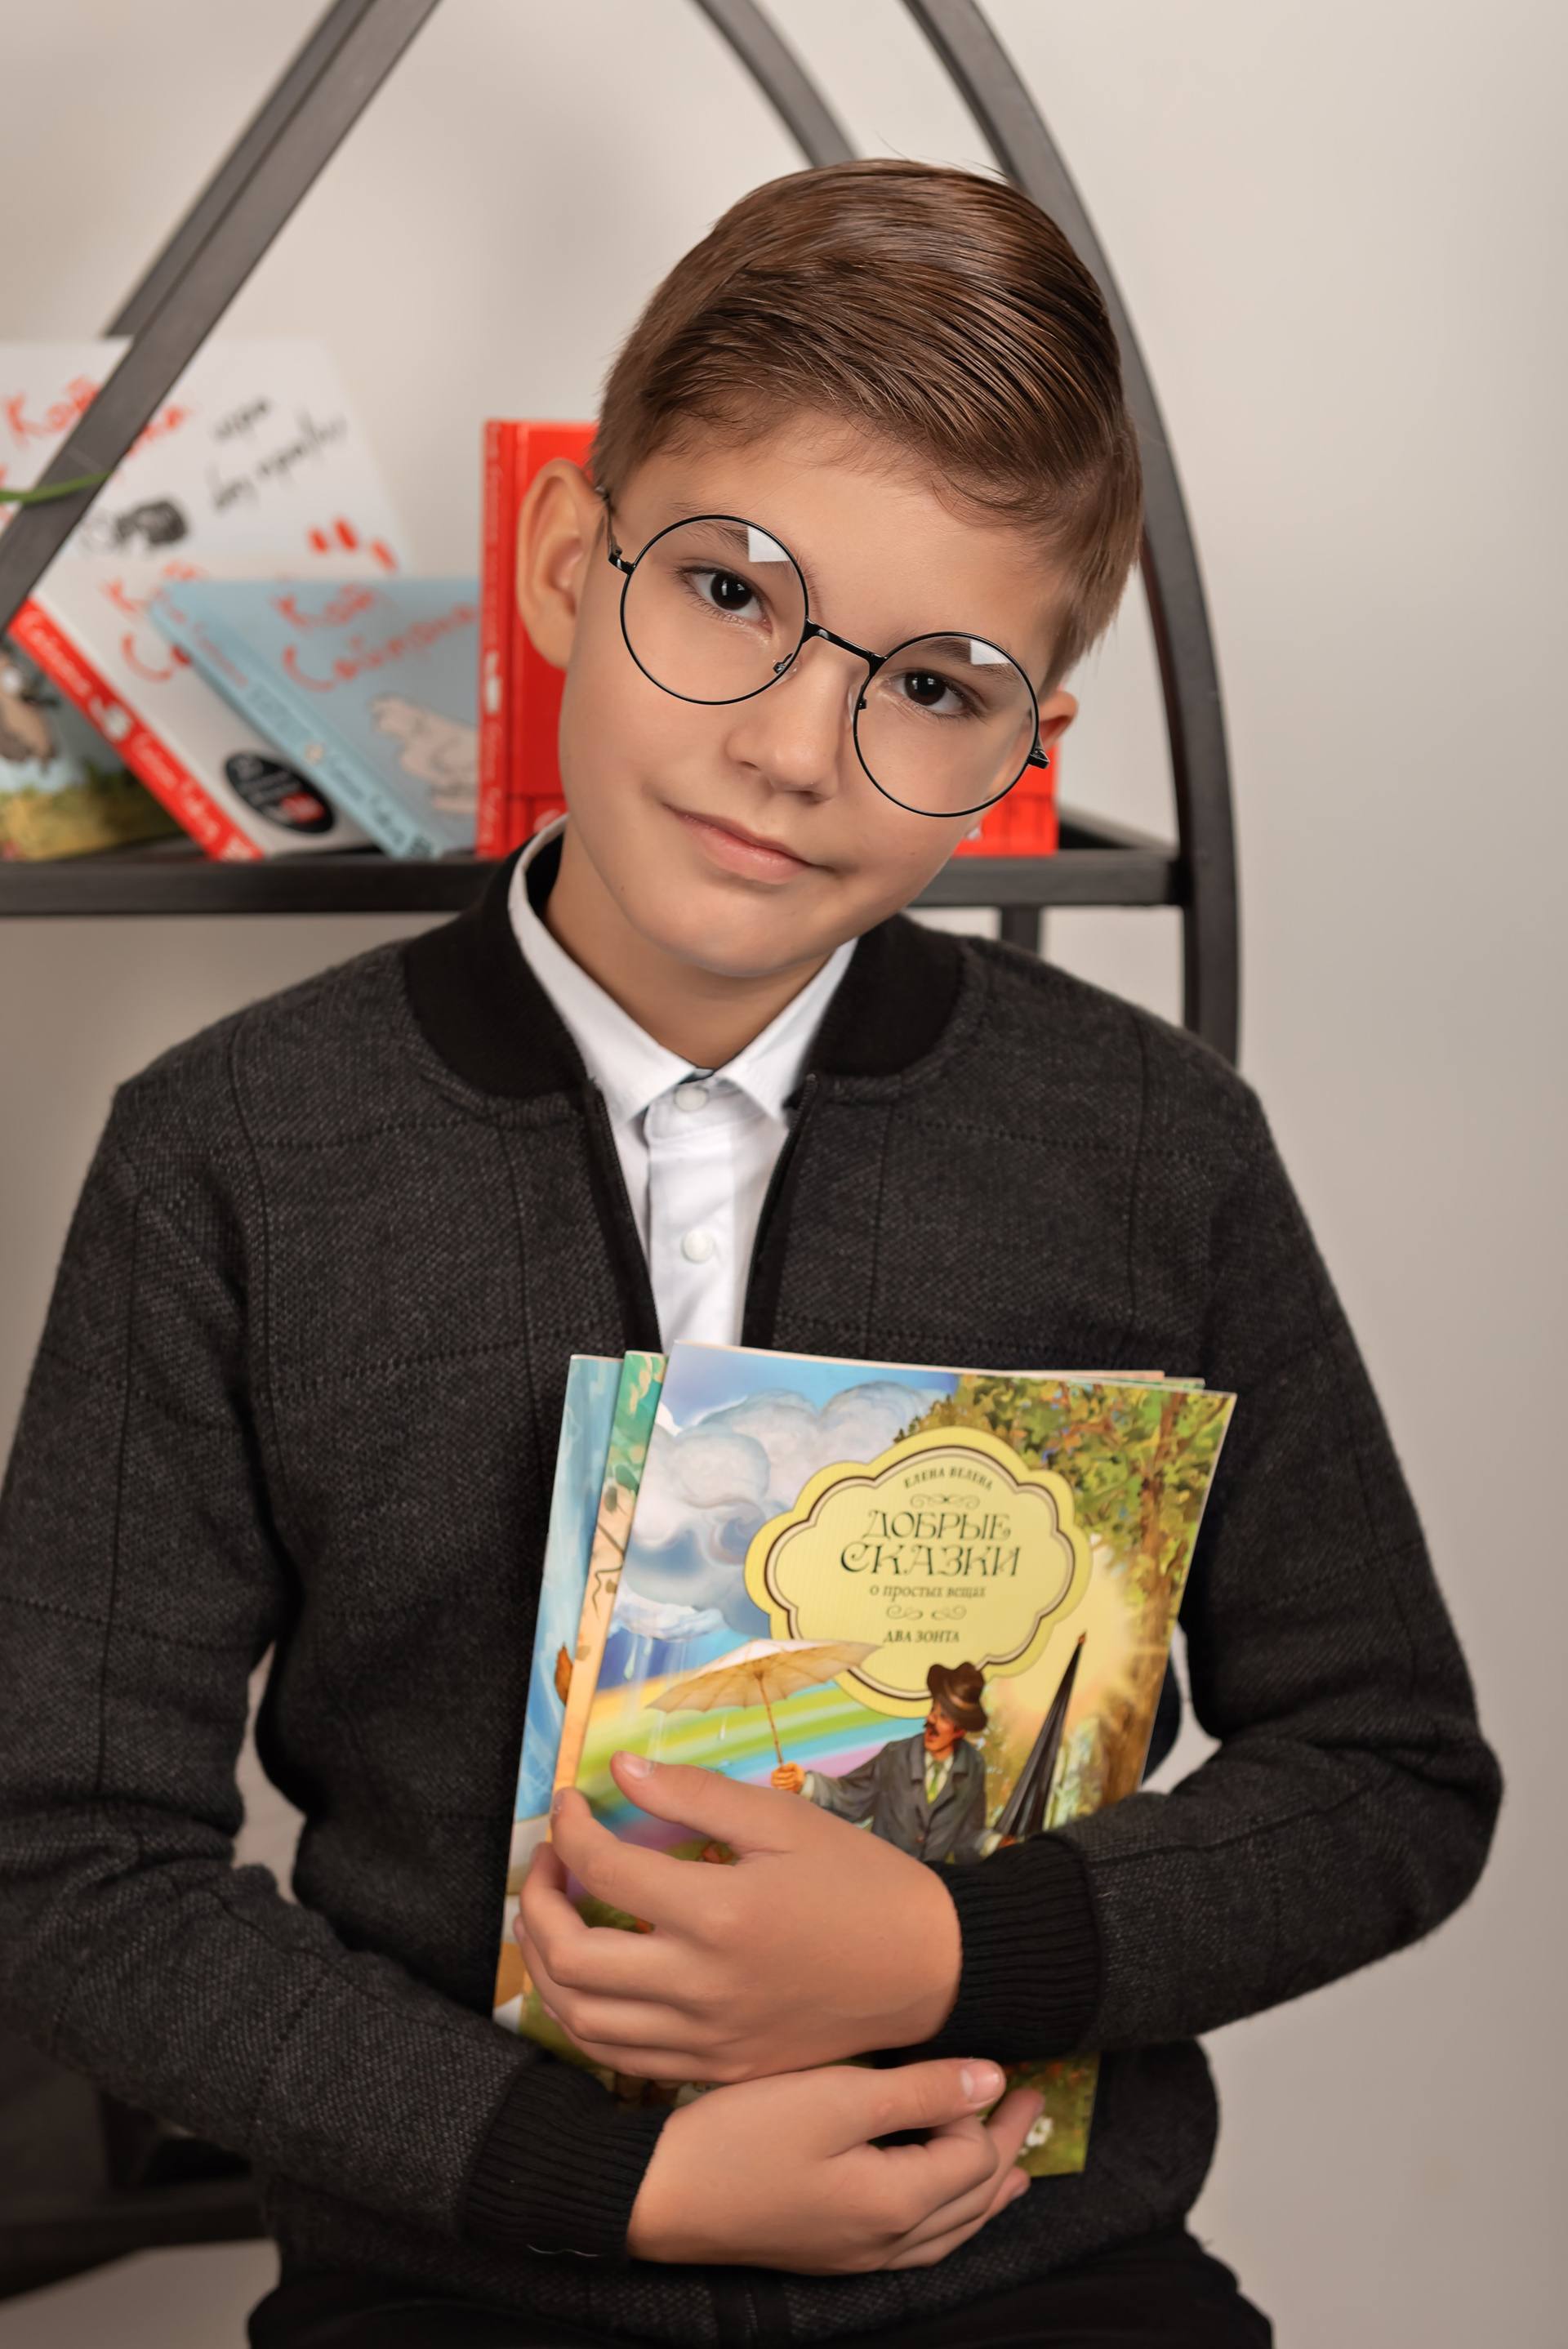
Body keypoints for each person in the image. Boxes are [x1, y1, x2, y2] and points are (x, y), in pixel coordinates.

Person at [0, 163, 1499, 2349]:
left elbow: (1387, 1771)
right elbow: (66, 1859)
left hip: (1040, 2282)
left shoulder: (1153, 1143)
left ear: (1025, 750)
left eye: (937, 684)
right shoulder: (227, 1152)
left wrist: (948, 1952)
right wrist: (605, 2177)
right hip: (465, 2284)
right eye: (726, 591)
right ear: (563, 563)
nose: (797, 748)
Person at [771, 1661, 991, 1865]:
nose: (931, 1719)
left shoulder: (974, 1766)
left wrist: (995, 1843)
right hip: (882, 1875)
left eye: (944, 1717)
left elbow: (968, 1836)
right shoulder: (896, 1755)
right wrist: (804, 1783)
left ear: (960, 1729)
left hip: (931, 1885)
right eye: (934, 1708)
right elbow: (850, 1795)